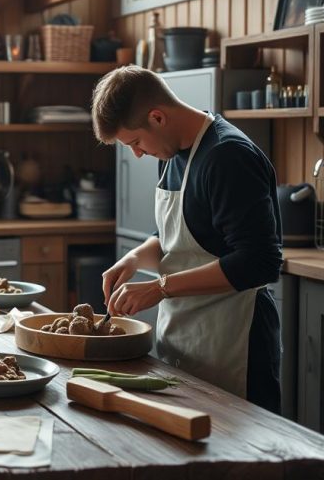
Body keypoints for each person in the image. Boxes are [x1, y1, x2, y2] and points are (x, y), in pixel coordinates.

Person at [91, 66, 283, 413]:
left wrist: (159, 287)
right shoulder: (170, 151)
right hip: (186, 339)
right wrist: (134, 259)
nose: (136, 153)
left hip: (235, 342)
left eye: (135, 142)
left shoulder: (228, 156)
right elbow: (176, 235)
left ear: (157, 117)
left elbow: (260, 261)